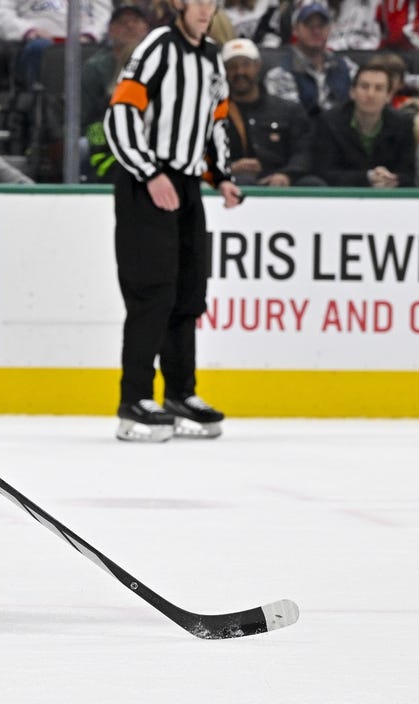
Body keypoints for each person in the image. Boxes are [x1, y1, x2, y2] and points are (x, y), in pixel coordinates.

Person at [103, 0, 243, 442]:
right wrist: (149, 173)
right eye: (197, 1)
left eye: (211, 2)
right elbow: (120, 112)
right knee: (152, 291)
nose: (205, 9)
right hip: (148, 180)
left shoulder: (211, 55)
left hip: (185, 183)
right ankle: (135, 399)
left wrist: (220, 175)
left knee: (188, 290)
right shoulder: (159, 47)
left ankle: (181, 392)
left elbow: (216, 120)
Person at [221, 37, 324, 185]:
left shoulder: (289, 110)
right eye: (232, 66)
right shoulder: (211, 113)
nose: (239, 72)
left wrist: (287, 175)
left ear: (257, 66)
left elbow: (304, 152)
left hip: (282, 183)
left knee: (313, 183)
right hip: (233, 184)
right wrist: (230, 167)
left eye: (245, 64)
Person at [311, 60, 416, 186]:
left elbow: (410, 175)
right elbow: (323, 172)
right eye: (364, 86)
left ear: (388, 96)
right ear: (352, 92)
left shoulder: (403, 124)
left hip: (391, 198)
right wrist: (368, 177)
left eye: (379, 88)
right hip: (341, 198)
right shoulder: (329, 121)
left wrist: (392, 178)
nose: (370, 94)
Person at [80, 0, 151, 182]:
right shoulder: (94, 69)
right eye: (122, 22)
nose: (129, 26)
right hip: (111, 155)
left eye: (135, 21)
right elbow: (92, 127)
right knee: (81, 146)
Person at [0, 0, 112, 87]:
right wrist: (28, 31)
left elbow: (105, 16)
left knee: (102, 55)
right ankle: (40, 113)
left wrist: (90, 35)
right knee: (40, 49)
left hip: (85, 43)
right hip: (37, 44)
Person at [263, 2, 357, 116]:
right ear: (295, 30)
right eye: (309, 25)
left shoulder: (348, 66)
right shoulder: (280, 74)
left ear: (329, 29)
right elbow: (292, 120)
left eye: (321, 26)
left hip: (343, 132)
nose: (316, 31)